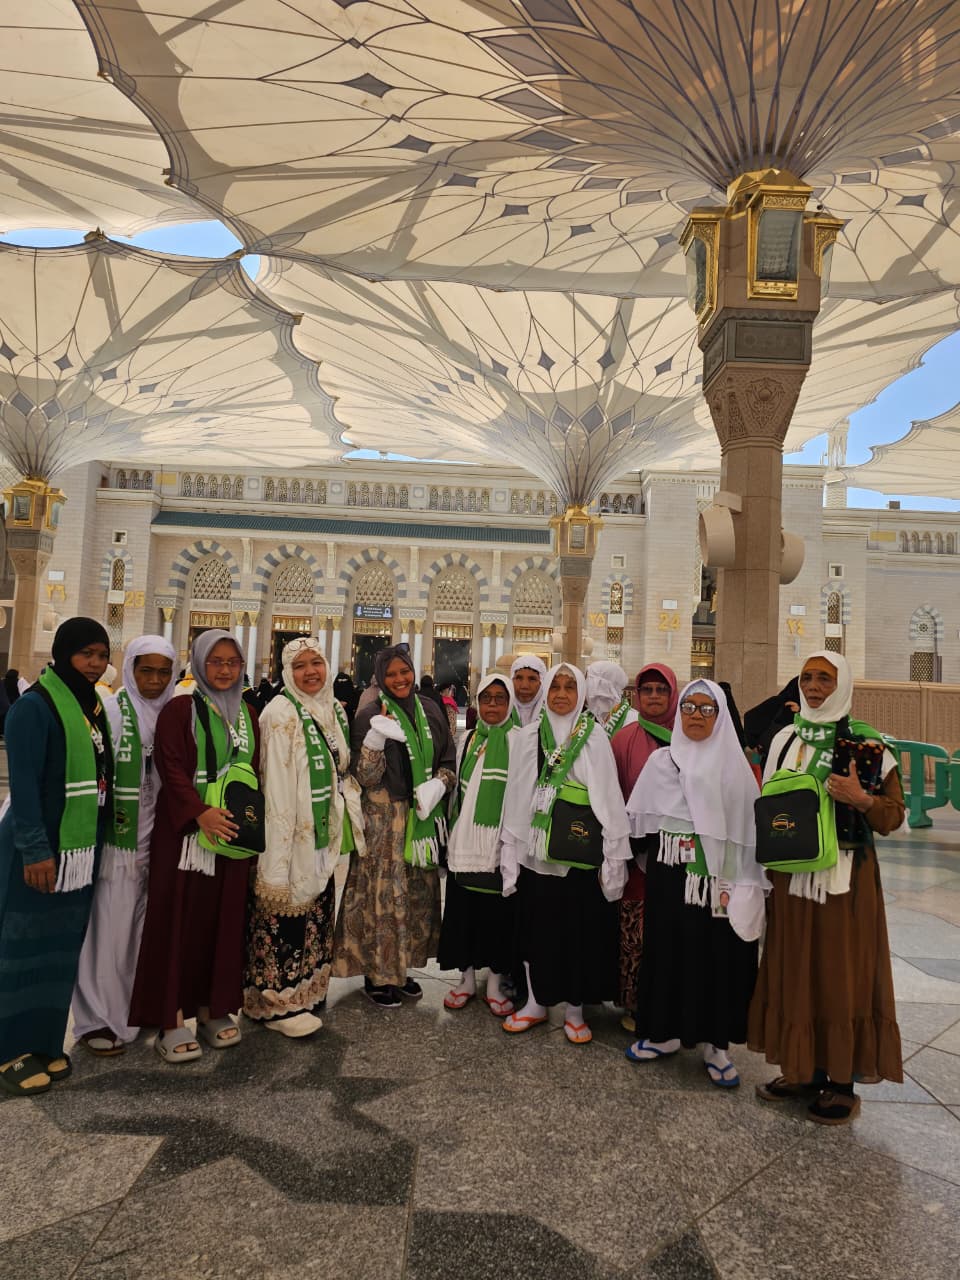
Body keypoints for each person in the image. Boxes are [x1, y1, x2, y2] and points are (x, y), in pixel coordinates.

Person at [748, 651, 905, 1125]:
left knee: (839, 973)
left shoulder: (867, 744)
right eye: (807, 678)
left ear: (843, 685)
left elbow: (894, 815)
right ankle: (801, 1069)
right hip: (791, 874)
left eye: (825, 679)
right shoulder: (784, 739)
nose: (814, 687)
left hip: (843, 881)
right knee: (795, 967)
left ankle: (840, 1082)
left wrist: (862, 799)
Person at [625, 679, 768, 1087]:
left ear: (720, 716)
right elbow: (640, 823)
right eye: (689, 707)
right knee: (667, 952)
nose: (696, 716)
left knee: (716, 957)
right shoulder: (662, 762)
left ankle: (716, 1046)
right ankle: (663, 1032)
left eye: (707, 709)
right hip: (671, 879)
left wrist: (744, 886)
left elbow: (748, 834)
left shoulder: (734, 769)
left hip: (720, 881)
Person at [129, 629, 260, 1062]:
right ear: (199, 663)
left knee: (222, 923)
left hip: (231, 837)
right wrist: (200, 812)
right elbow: (171, 768)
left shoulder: (248, 714)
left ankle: (212, 1010)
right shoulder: (180, 709)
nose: (224, 670)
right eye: (215, 661)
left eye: (232, 662)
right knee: (177, 923)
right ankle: (170, 1020)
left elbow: (253, 772)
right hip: (186, 837)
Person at [0, 618, 112, 1097]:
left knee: (59, 951)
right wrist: (35, 851)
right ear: (63, 652)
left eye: (102, 655)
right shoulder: (34, 708)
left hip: (76, 852)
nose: (95, 664)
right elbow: (24, 787)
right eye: (86, 653)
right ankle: (9, 1050)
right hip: (38, 852)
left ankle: (44, 1042)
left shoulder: (91, 708)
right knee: (20, 950)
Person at [500, 664, 631, 1044]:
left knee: (578, 934)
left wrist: (614, 856)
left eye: (569, 687)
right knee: (535, 931)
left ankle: (574, 1010)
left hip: (578, 854)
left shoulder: (593, 737)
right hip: (535, 854)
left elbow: (608, 798)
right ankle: (535, 1003)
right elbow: (515, 796)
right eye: (555, 686)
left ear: (582, 693)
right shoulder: (529, 736)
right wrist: (511, 852)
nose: (560, 694)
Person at [244, 638, 364, 1036]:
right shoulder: (280, 713)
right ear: (286, 672)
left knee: (315, 910)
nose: (310, 671)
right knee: (285, 909)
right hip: (291, 833)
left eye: (316, 662)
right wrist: (279, 854)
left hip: (321, 831)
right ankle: (275, 1004)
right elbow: (275, 786)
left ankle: (307, 991)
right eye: (300, 665)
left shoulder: (331, 708)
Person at [333, 645, 455, 1007]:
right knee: (383, 898)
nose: (399, 679)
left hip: (421, 815)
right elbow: (365, 777)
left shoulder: (429, 709)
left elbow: (447, 758)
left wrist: (440, 784)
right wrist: (375, 739)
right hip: (383, 821)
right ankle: (377, 973)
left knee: (413, 897)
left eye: (404, 672)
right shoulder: (370, 714)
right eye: (391, 674)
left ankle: (399, 969)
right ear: (380, 678)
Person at [72, 635, 177, 1056]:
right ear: (131, 670)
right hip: (119, 843)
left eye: (164, 672)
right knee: (109, 930)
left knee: (145, 929)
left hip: (159, 840)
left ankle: (137, 1006)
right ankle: (97, 1017)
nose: (154, 680)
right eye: (146, 670)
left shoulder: (173, 713)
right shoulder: (112, 711)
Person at [437, 673, 517, 1018]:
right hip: (465, 843)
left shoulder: (519, 740)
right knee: (463, 915)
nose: (493, 705)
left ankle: (495, 984)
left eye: (500, 698)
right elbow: (457, 790)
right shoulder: (468, 738)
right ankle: (466, 980)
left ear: (510, 703)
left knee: (498, 918)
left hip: (499, 845)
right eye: (487, 698)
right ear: (478, 703)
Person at [609, 663, 679, 1028]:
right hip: (636, 852)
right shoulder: (624, 739)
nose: (653, 697)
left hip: (680, 854)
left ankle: (670, 1004)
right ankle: (635, 1003)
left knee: (671, 932)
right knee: (635, 930)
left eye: (661, 690)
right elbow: (612, 793)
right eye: (647, 690)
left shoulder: (689, 736)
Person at [743, 677, 801, 767]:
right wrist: (754, 746)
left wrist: (800, 712)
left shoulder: (805, 710)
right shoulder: (778, 702)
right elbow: (749, 716)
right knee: (761, 771)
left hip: (789, 759)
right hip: (767, 755)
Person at [585, 661, 637, 737]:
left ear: (601, 686)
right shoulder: (587, 718)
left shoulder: (633, 722)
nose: (583, 684)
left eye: (587, 679)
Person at [509, 654, 546, 727]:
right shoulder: (499, 712)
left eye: (532, 679)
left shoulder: (552, 716)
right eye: (519, 678)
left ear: (542, 683)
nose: (524, 686)